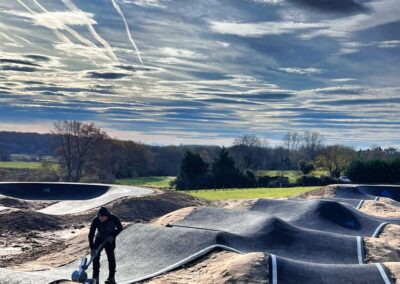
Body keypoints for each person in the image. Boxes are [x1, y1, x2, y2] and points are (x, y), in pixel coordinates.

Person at [88, 206, 123, 284]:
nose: (101, 219)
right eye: (100, 217)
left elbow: (120, 227)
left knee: (110, 257)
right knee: (95, 257)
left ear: (107, 216)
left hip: (109, 240)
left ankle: (111, 278)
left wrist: (113, 235)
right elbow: (91, 235)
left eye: (103, 217)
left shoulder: (113, 218)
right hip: (99, 238)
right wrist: (92, 248)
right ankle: (95, 278)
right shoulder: (96, 220)